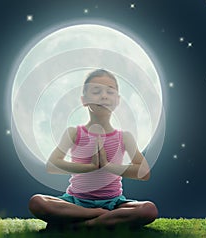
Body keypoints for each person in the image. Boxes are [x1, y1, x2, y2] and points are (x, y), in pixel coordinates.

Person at [28, 69, 158, 229]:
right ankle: (101, 217)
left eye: (110, 92)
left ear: (117, 100)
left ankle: (80, 225)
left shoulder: (124, 137)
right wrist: (89, 167)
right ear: (84, 100)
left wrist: (108, 166)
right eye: (96, 91)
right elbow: (52, 165)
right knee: (37, 202)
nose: (104, 96)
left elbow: (144, 172)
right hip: (75, 202)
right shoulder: (74, 133)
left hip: (113, 203)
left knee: (149, 209)